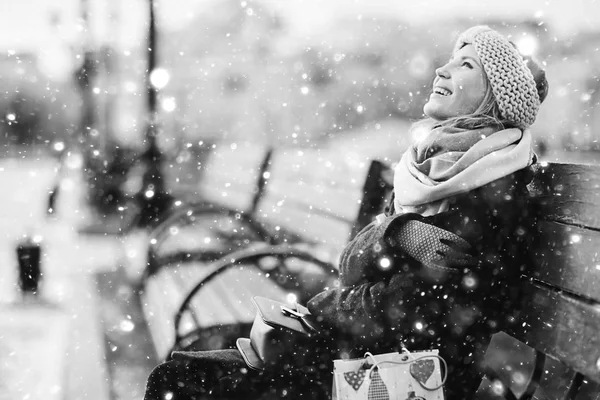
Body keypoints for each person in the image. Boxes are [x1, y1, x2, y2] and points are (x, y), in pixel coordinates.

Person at [143, 25, 549, 400]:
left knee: (183, 381)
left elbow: (419, 310)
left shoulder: (493, 189)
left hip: (408, 376)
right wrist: (395, 232)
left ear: (495, 95)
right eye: (450, 58)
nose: (442, 70)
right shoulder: (429, 169)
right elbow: (353, 263)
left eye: (466, 65)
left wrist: (320, 312)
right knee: (190, 370)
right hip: (367, 351)